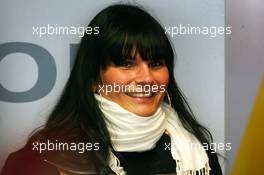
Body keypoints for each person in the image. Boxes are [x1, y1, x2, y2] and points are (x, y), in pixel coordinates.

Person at [1, 4, 222, 175]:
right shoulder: (44, 159)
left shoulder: (195, 150)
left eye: (155, 64)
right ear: (94, 78)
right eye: (126, 64)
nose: (146, 78)